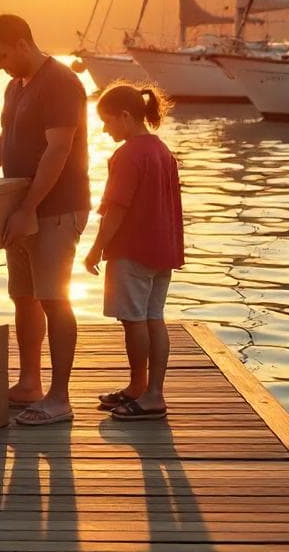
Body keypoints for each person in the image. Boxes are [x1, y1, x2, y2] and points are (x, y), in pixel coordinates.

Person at [0, 14, 89, 425]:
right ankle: (29, 383)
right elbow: (5, 140)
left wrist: (28, 210)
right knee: (23, 298)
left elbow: (58, 150)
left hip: (56, 210)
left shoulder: (61, 83)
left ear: (23, 43)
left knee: (55, 300)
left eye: (2, 55)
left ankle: (59, 398)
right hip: (20, 211)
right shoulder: (15, 86)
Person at [83, 83, 184, 421]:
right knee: (154, 318)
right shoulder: (162, 150)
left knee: (133, 320)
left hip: (132, 249)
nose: (104, 129)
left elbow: (116, 209)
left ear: (125, 116)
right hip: (162, 250)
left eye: (107, 121)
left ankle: (143, 389)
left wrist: (95, 249)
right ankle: (150, 392)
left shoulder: (128, 154)